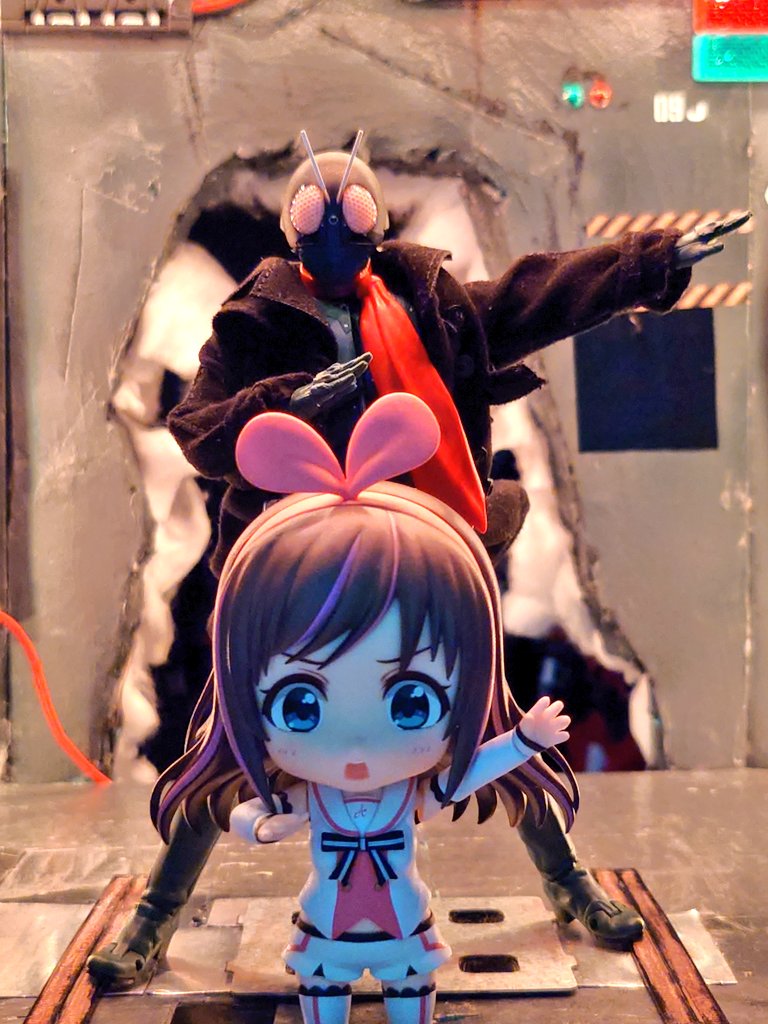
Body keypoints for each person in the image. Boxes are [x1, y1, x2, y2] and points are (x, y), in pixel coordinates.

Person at [88, 131, 747, 985]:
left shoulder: (428, 303)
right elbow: (199, 433)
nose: (333, 228)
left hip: (420, 549)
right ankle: (155, 913)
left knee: (489, 717)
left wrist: (643, 265)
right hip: (296, 566)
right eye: (314, 211)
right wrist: (289, 401)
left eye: (350, 209)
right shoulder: (251, 325)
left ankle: (567, 882)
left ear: (377, 222)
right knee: (228, 736)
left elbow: (533, 297)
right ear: (290, 226)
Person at [152, 394, 577, 1024]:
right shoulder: (319, 798)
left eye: (412, 702)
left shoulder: (407, 796)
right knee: (326, 994)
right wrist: (258, 825)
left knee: (410, 993)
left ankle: (568, 878)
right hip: (326, 930)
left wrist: (525, 742)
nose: (355, 749)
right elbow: (249, 815)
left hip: (404, 928)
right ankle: (154, 910)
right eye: (300, 706)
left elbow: (470, 773)